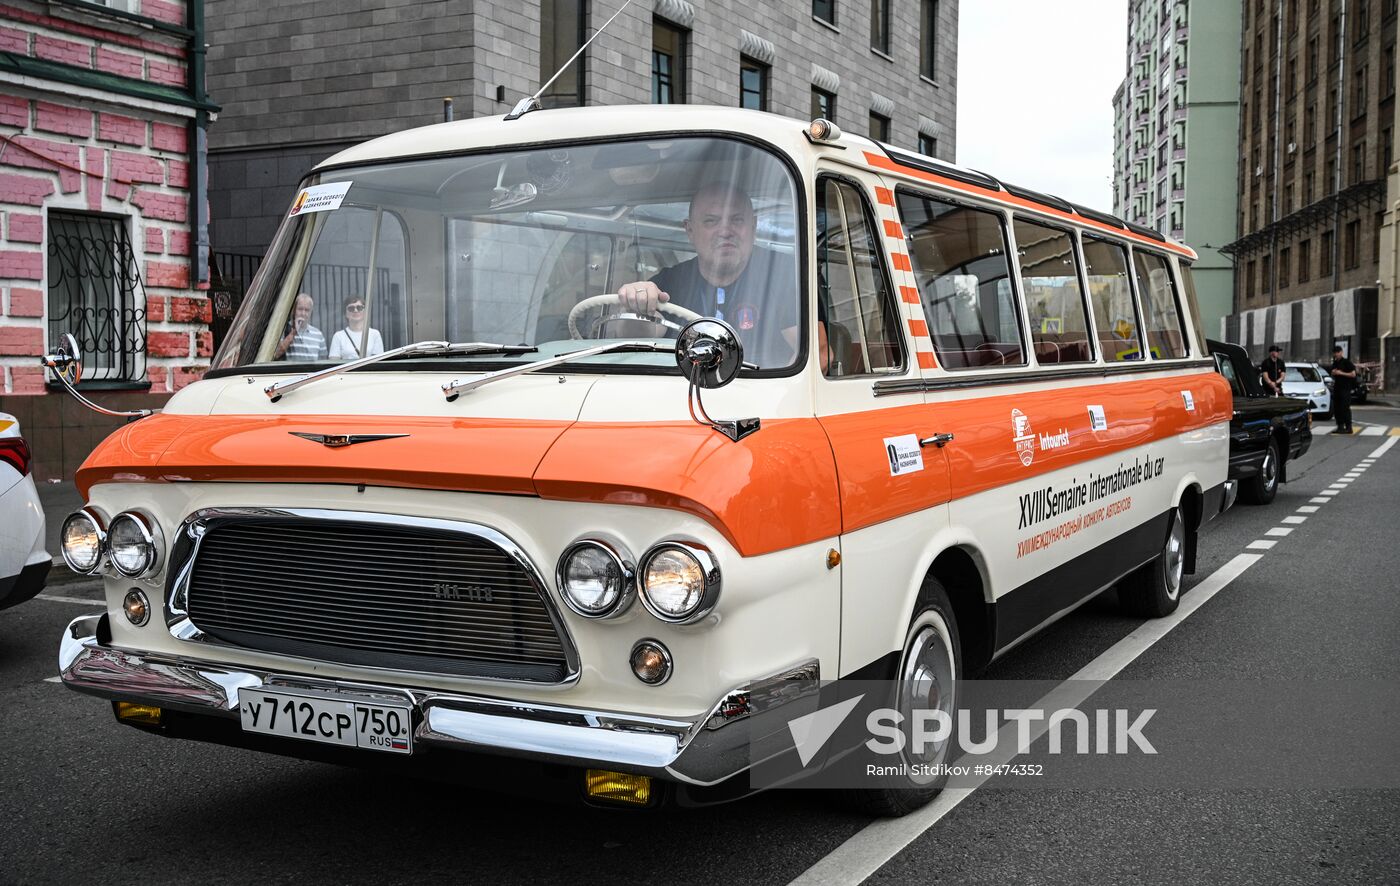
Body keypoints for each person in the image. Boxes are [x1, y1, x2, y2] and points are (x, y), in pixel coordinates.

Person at [614, 181, 827, 370]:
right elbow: (636, 340)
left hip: (762, 402)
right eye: (711, 221)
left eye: (737, 220)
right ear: (689, 231)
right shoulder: (669, 282)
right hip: (681, 401)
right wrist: (636, 302)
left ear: (753, 226)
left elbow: (821, 355)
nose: (725, 230)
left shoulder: (784, 275)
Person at [328, 295, 384, 360]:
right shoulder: (338, 336)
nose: (355, 310)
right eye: (351, 308)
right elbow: (333, 362)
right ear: (345, 314)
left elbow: (378, 362)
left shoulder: (375, 334)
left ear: (365, 312)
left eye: (359, 308)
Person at [275, 293, 326, 361]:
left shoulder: (318, 335)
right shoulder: (283, 330)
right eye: (300, 309)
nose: (303, 313)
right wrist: (293, 333)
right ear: (294, 311)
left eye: (307, 310)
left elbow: (323, 362)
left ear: (311, 312)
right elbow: (276, 354)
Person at [1329, 344, 1357, 434]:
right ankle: (1340, 426)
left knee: (1345, 408)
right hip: (1337, 388)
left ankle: (1349, 427)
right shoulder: (1335, 363)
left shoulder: (1346, 362)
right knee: (1337, 408)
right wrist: (1333, 373)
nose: (1336, 354)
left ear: (1341, 352)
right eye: (1335, 353)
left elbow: (1353, 374)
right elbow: (1333, 372)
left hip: (1345, 388)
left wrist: (1341, 373)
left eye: (1338, 352)